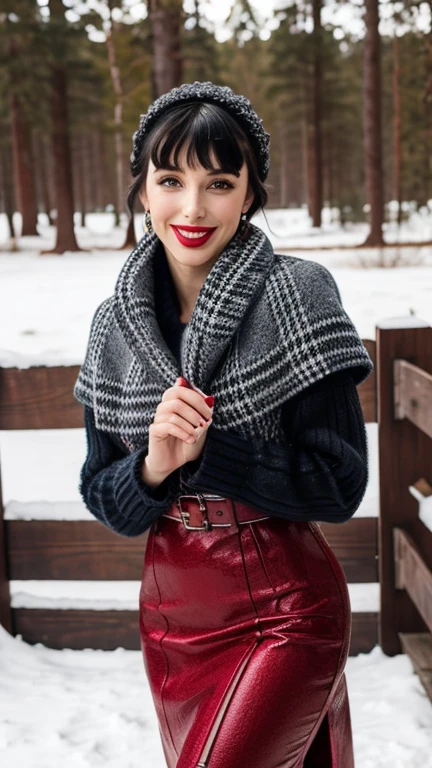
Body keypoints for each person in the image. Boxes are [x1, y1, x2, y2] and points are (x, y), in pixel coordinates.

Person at [74, 81, 373, 768]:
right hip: (173, 618)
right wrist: (154, 464)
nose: (192, 207)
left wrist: (214, 453)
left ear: (249, 195)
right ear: (142, 190)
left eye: (219, 182)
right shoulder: (111, 328)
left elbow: (340, 484)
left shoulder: (297, 294)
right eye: (172, 179)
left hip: (286, 610)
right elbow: (103, 495)